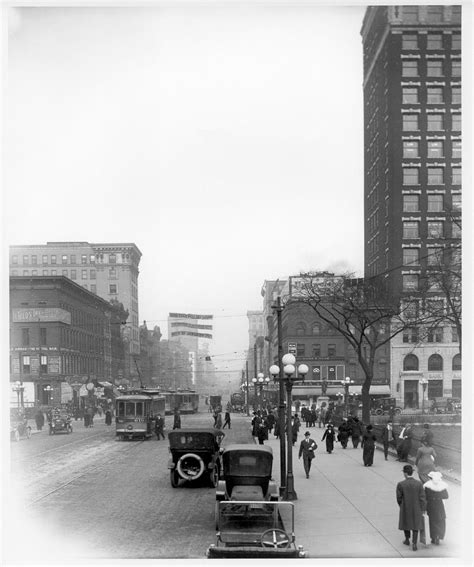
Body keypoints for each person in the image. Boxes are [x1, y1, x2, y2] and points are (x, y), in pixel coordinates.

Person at [396, 464, 426, 551]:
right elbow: (422, 497)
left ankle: (407, 539)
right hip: (417, 508)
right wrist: (423, 508)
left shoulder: (401, 484)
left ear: (405, 473)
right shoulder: (419, 484)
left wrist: (401, 505)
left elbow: (399, 498)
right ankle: (414, 544)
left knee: (406, 523)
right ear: (412, 472)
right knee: (415, 525)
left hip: (406, 507)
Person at [423, 471, 449, 545]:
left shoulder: (427, 486)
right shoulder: (442, 486)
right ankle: (439, 536)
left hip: (431, 504)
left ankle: (434, 537)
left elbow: (425, 497)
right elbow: (446, 496)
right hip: (440, 504)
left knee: (432, 521)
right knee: (440, 520)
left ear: (430, 478)